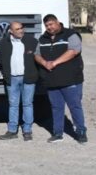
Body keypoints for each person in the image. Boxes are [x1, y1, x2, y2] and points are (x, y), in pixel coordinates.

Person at [34, 14, 87, 144]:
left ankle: (81, 132)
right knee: (56, 108)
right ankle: (58, 133)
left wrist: (55, 62)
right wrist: (44, 63)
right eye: (47, 25)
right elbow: (36, 54)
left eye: (51, 24)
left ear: (58, 22)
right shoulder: (43, 38)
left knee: (75, 106)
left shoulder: (70, 34)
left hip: (70, 79)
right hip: (52, 80)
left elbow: (74, 51)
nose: (49, 27)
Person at [0, 21, 38, 141]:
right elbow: (0, 61)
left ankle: (27, 130)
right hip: (12, 79)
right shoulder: (3, 43)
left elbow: (38, 58)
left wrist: (34, 74)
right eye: (17, 29)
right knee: (13, 105)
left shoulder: (32, 41)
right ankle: (12, 130)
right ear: (10, 31)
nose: (21, 31)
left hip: (28, 78)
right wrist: (6, 74)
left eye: (21, 28)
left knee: (27, 104)